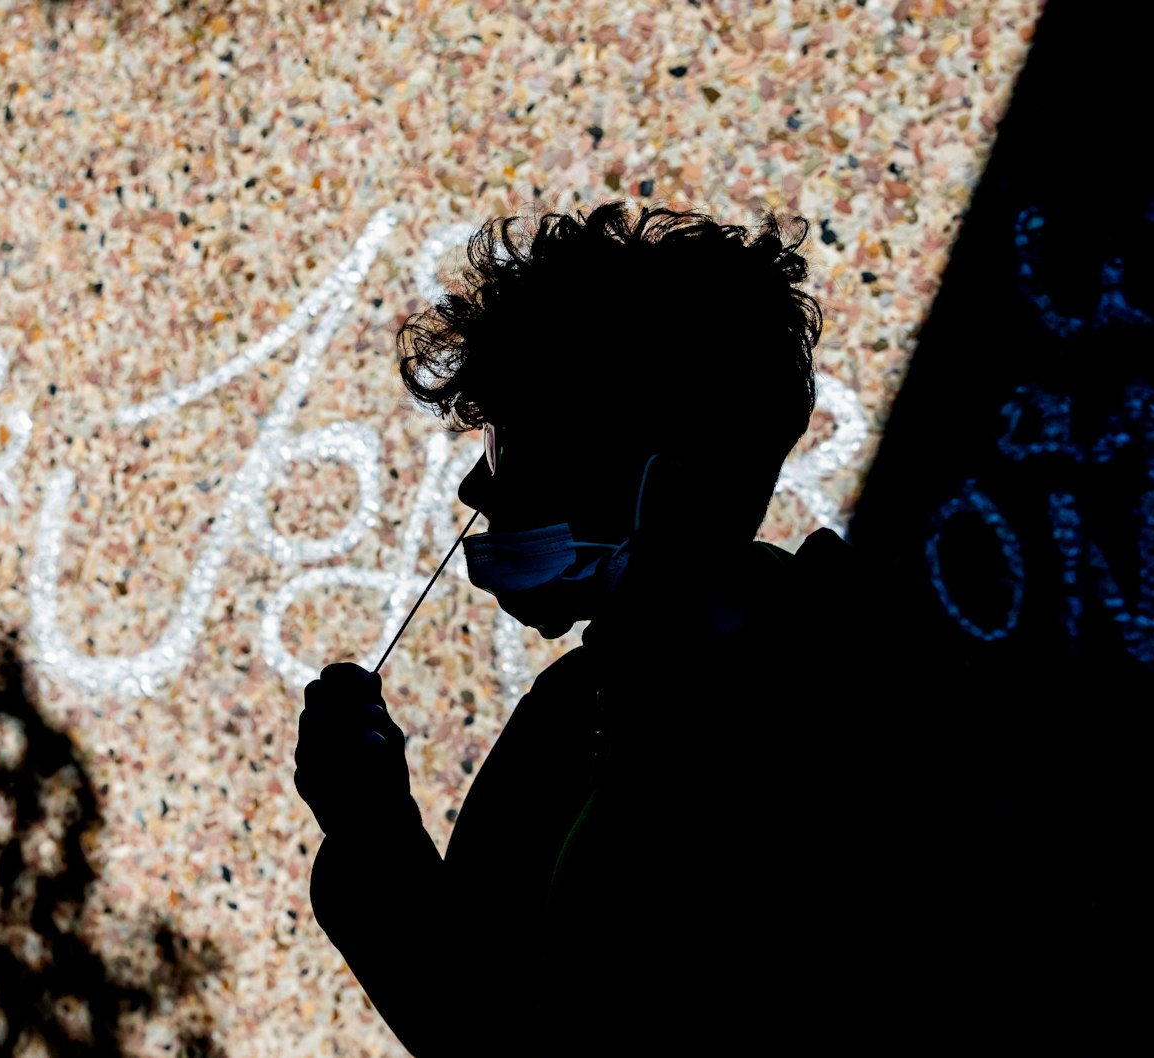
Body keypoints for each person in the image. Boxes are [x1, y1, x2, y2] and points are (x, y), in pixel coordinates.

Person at [293, 203, 895, 1055]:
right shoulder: (574, 707)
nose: (475, 491)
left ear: (669, 484)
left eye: (507, 445)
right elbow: (472, 989)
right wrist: (370, 828)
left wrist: (369, 841)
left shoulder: (835, 738)